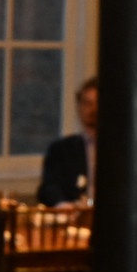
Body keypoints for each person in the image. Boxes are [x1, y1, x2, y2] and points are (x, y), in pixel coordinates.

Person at [37, 76, 98, 205]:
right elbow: (49, 188)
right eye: (87, 103)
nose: (93, 110)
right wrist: (63, 205)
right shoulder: (61, 150)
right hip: (74, 213)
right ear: (79, 107)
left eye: (97, 104)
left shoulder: (121, 149)